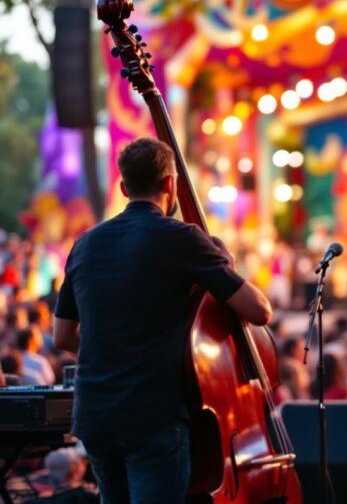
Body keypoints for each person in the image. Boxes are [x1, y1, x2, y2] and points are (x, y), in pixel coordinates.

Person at [52, 138, 273, 504]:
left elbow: (62, 335)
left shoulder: (85, 243)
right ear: (170, 184)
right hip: (152, 414)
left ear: (124, 188)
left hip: (95, 415)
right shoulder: (183, 239)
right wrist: (224, 263)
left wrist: (113, 350)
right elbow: (259, 311)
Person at [27, 447, 98, 504]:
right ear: (74, 471)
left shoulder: (35, 501)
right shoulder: (85, 497)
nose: (85, 465)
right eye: (81, 463)